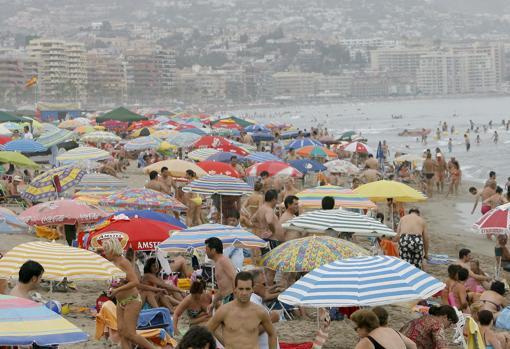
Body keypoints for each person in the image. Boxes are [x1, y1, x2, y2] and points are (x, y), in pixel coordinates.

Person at [101, 238, 155, 349]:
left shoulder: (123, 262)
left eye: (106, 250)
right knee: (121, 332)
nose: (104, 253)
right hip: (120, 301)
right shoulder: (112, 263)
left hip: (132, 300)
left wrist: (117, 290)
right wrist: (111, 288)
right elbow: (119, 282)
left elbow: (135, 281)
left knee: (130, 333)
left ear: (112, 250)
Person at [207, 272, 277, 349]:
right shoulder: (224, 311)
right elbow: (206, 332)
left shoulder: (260, 312)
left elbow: (272, 334)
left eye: (247, 289)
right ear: (235, 289)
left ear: (252, 289)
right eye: (241, 289)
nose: (244, 293)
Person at [350, 309, 416, 349]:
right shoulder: (391, 330)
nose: (356, 331)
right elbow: (413, 345)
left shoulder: (367, 341)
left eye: (355, 328)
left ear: (363, 326)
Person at [250, 269, 281, 349]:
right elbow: (250, 332)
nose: (267, 286)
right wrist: (271, 319)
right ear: (254, 286)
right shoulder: (252, 302)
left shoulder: (256, 299)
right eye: (264, 284)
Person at [205, 237, 237, 310]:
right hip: (227, 298)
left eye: (206, 249)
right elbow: (222, 289)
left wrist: (235, 299)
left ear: (213, 250)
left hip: (232, 298)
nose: (205, 252)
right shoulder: (218, 263)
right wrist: (213, 303)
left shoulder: (223, 261)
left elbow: (234, 277)